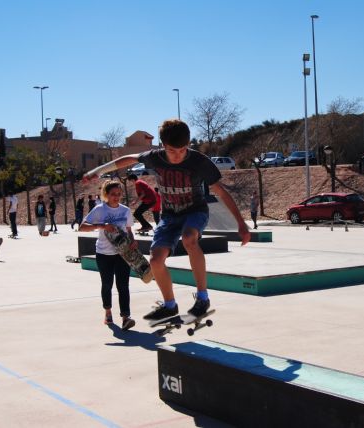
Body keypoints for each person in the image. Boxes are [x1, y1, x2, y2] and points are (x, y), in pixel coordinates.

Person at [83, 118, 250, 321]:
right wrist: (96, 171)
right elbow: (128, 158)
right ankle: (170, 305)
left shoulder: (199, 162)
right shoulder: (155, 157)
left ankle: (203, 297)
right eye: (172, 151)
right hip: (169, 216)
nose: (178, 156)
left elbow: (222, 193)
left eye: (183, 150)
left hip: (195, 211)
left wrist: (241, 223)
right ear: (163, 145)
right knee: (155, 260)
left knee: (189, 239)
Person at [78, 180, 136, 331]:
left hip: (123, 253)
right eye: (112, 194)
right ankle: (108, 311)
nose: (116, 197)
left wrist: (132, 240)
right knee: (107, 284)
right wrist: (101, 226)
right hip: (104, 253)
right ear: (106, 195)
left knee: (123, 285)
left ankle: (126, 317)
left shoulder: (125, 211)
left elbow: (129, 229)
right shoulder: (99, 210)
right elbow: (82, 227)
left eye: (118, 194)